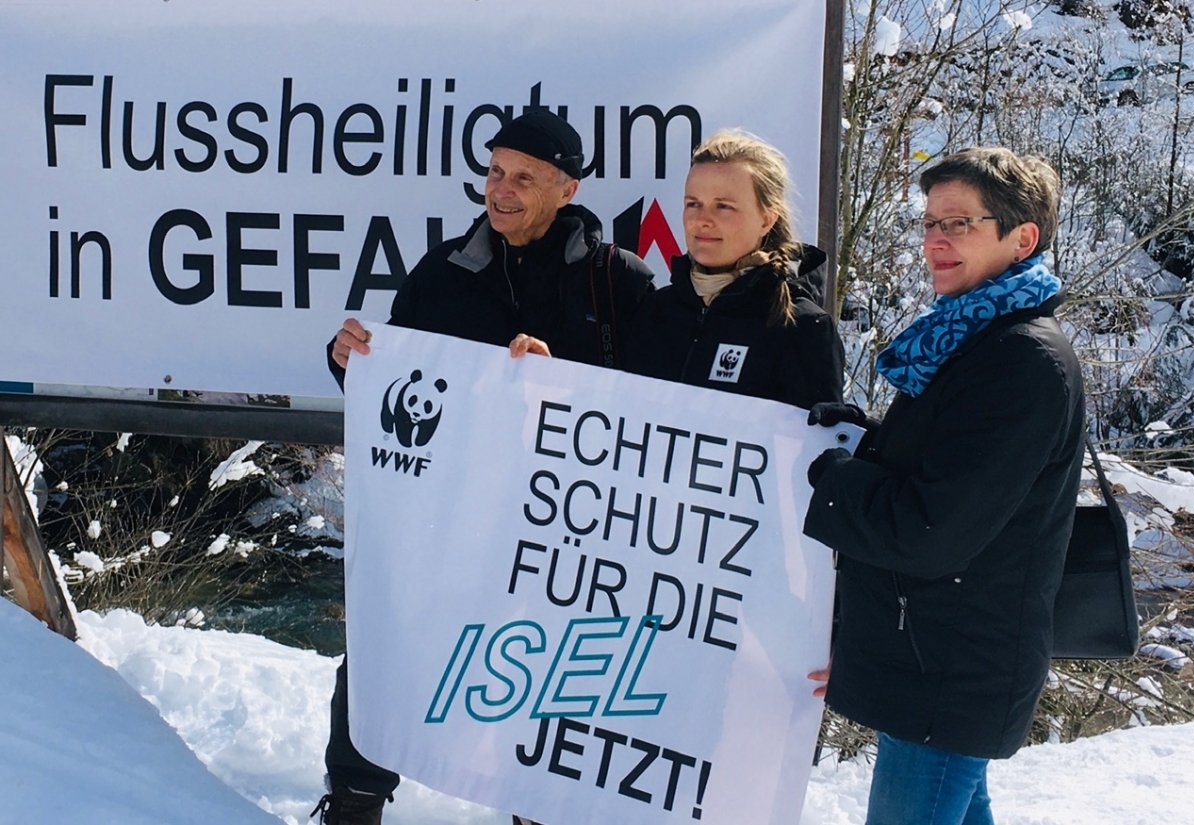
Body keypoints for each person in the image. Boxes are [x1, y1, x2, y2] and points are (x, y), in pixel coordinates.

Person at [315, 110, 655, 825]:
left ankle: (538, 810)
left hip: (563, 522)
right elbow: (396, 392)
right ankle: (352, 799)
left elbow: (653, 413)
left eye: (522, 177)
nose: (500, 190)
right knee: (387, 639)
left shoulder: (618, 282)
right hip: (448, 510)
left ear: (568, 188)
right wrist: (350, 361)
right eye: (495, 172)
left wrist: (561, 384)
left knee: (545, 669)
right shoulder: (443, 269)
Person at [803, 147, 1085, 825]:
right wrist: (862, 438)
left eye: (958, 223)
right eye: (930, 222)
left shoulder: (1021, 361)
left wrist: (831, 477)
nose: (935, 240)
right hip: (936, 655)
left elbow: (931, 527)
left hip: (948, 673)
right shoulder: (973, 340)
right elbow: (948, 466)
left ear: (1022, 238)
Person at [512, 128, 845, 411]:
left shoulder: (803, 328)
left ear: (766, 219)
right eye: (693, 203)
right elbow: (613, 415)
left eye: (723, 206)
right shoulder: (656, 312)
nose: (702, 219)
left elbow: (812, 466)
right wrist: (552, 379)